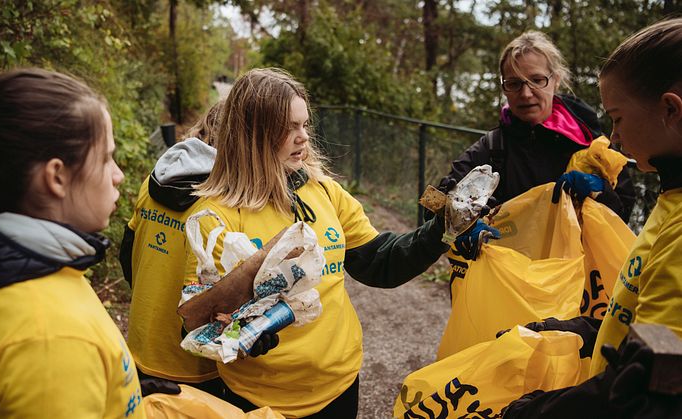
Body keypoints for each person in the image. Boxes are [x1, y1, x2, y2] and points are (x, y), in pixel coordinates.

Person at [181, 67, 484, 418]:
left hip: (339, 384)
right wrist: (235, 338)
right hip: (261, 399)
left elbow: (379, 263)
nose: (303, 138)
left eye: (304, 125)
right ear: (252, 132)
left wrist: (441, 229)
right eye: (288, 127)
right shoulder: (214, 216)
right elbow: (198, 319)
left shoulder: (324, 191)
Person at [0, 68, 145, 417]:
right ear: (57, 176)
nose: (118, 174)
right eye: (106, 158)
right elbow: (50, 365)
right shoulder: (50, 338)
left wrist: (115, 388)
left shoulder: (0, 271)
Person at [502, 18, 682, 418]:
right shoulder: (670, 197)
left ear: (670, 110)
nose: (614, 138)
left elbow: (650, 385)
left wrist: (534, 412)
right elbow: (634, 319)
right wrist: (572, 329)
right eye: (513, 84)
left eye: (617, 118)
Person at [436, 31, 636, 229]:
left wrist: (601, 192)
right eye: (514, 83)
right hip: (512, 260)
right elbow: (435, 206)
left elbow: (623, 213)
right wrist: (461, 219)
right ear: (504, 87)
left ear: (556, 80)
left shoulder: (590, 140)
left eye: (537, 80)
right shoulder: (494, 147)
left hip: (581, 261)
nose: (525, 93)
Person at [119, 102, 225, 397]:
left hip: (142, 346)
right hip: (196, 366)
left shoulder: (153, 182)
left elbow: (127, 254)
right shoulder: (223, 202)